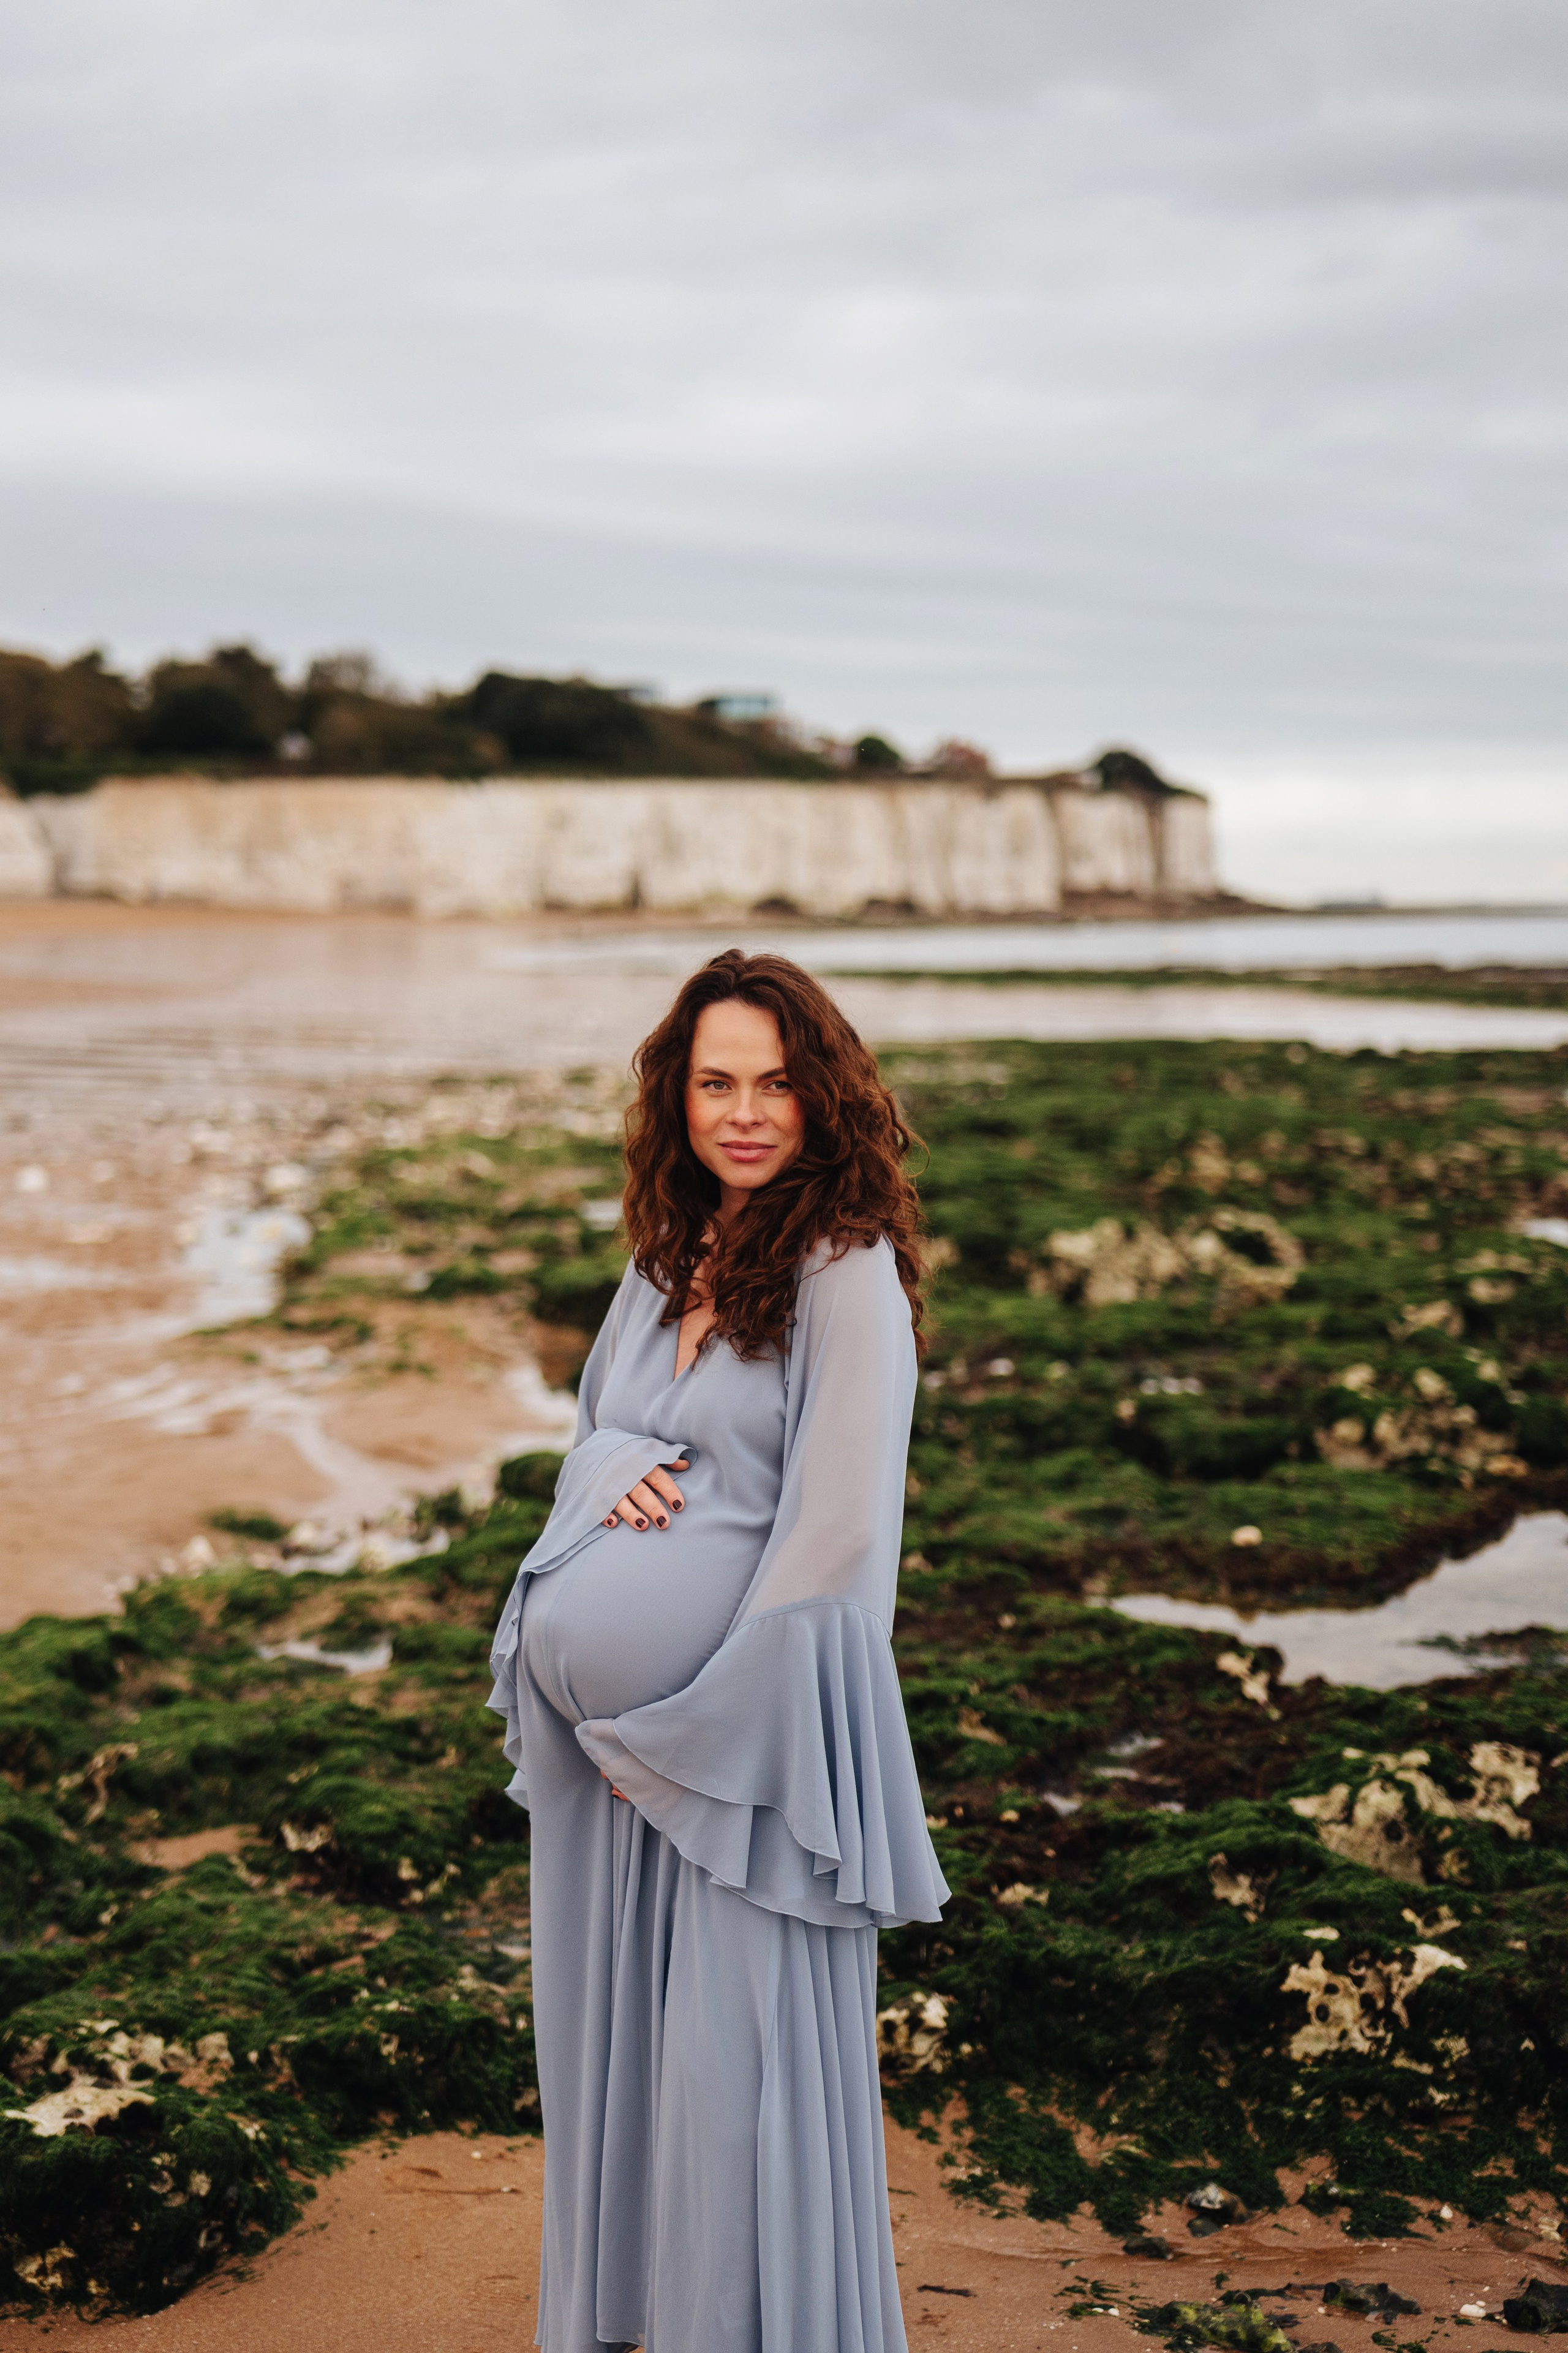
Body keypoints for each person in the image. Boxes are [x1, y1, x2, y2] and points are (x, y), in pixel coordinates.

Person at [488, 948, 949, 2353]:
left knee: (729, 2073)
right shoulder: (660, 1262)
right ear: (673, 1099)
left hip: (733, 1767)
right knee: (614, 2058)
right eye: (713, 1083)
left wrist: (689, 1745)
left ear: (824, 1097)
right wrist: (612, 1458)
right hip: (607, 1772)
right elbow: (594, 1447)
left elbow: (836, 1545)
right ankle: (636, 2318)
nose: (743, 1112)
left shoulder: (844, 1270)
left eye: (773, 1082)